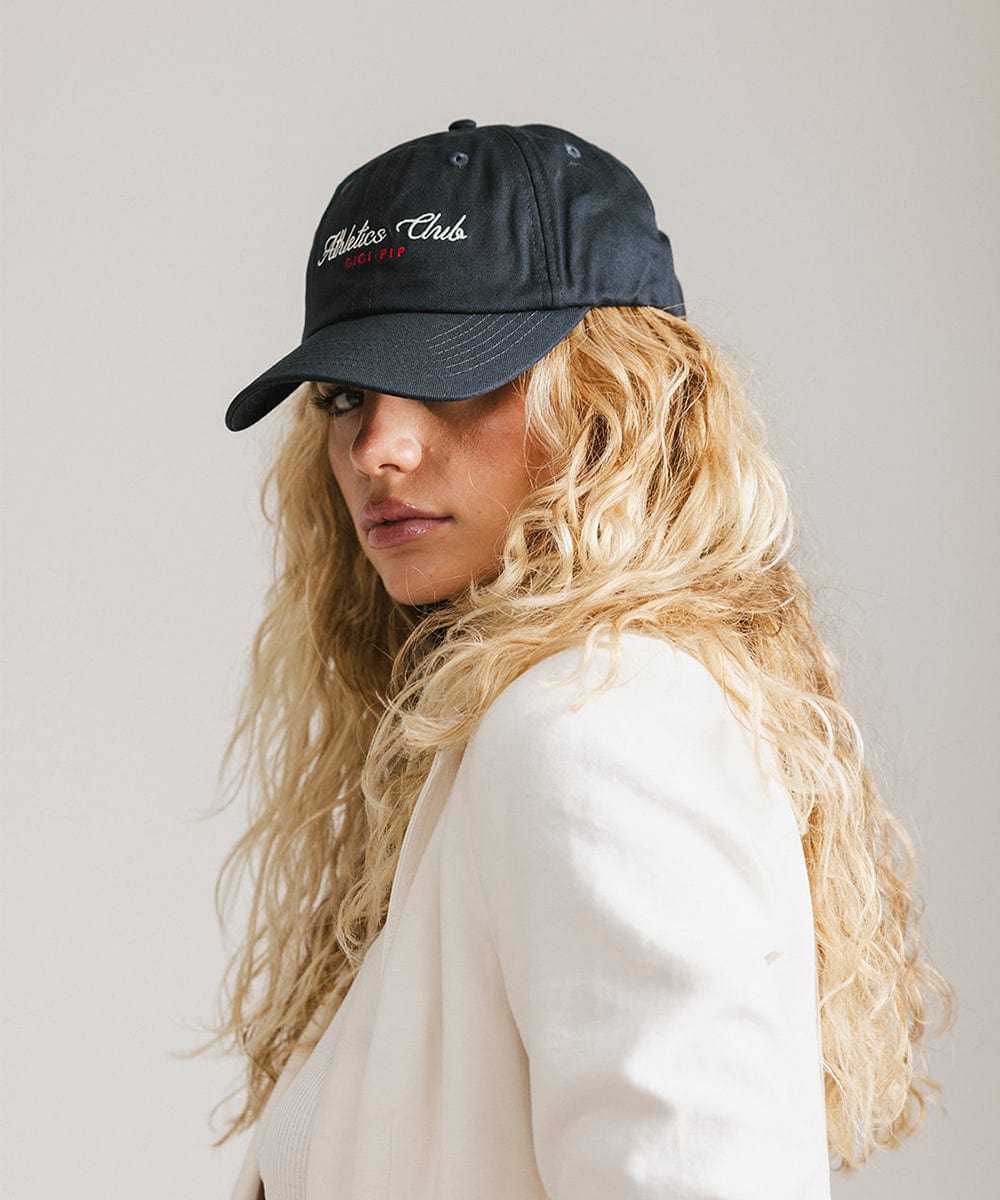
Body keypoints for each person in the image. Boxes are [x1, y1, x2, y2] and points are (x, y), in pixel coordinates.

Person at [193, 119, 956, 1199]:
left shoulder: (594, 725)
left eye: (451, 376)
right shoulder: (522, 727)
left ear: (613, 402)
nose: (377, 449)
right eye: (345, 395)